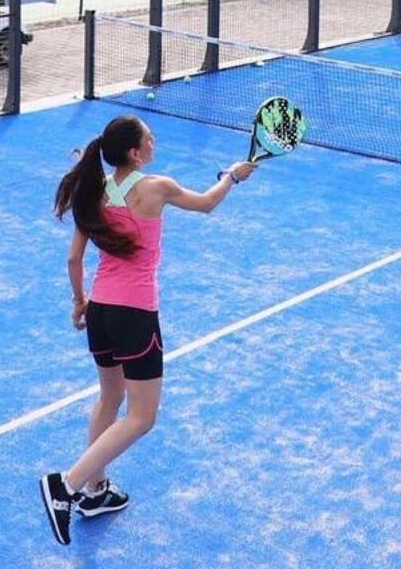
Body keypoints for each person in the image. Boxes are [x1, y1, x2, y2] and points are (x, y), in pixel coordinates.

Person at [38, 115, 254, 546]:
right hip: (135, 317)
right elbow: (208, 202)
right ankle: (68, 483)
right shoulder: (157, 187)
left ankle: (95, 492)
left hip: (100, 312)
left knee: (110, 398)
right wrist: (233, 175)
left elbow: (73, 260)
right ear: (135, 153)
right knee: (142, 417)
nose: (154, 142)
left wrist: (79, 302)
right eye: (148, 138)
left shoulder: (93, 190)